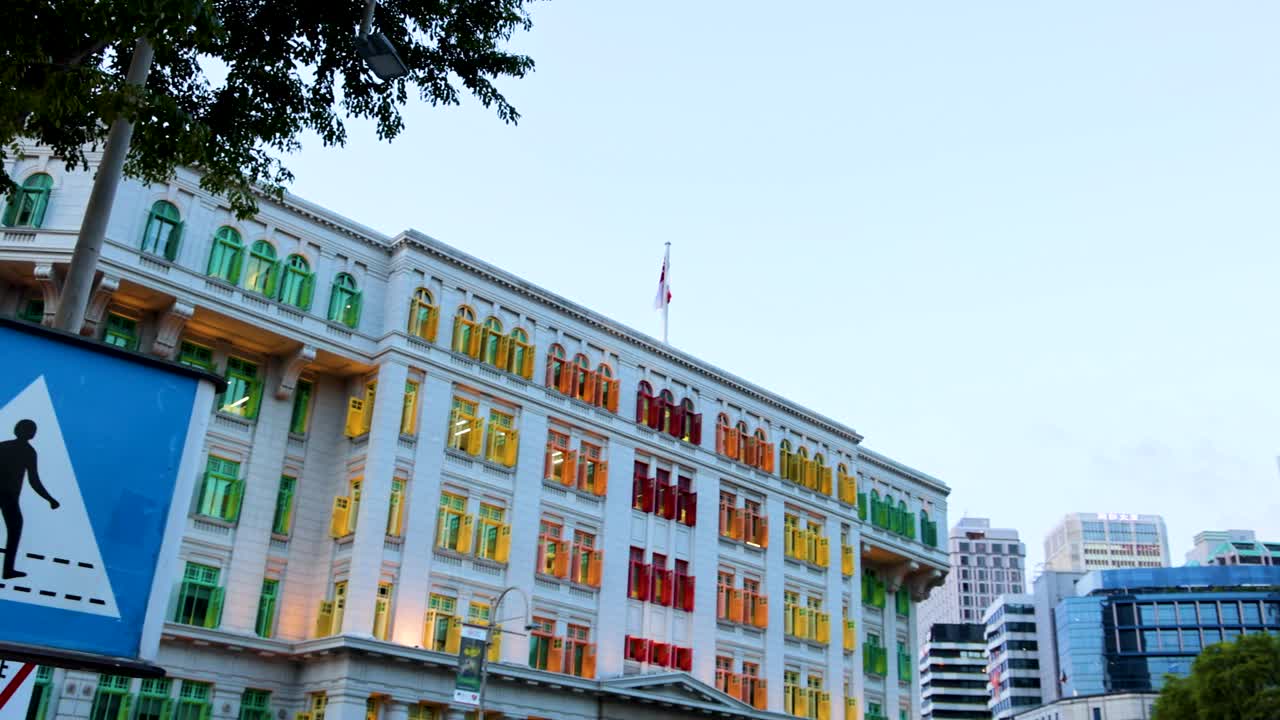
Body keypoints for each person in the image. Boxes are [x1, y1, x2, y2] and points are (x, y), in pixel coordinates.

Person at [0, 419, 59, 579]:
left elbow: (34, 481)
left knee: (15, 528)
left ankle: (8, 570)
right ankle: (7, 570)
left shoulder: (4, 446)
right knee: (15, 530)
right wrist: (50, 499)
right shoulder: (28, 452)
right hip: (9, 496)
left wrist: (50, 499)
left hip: (9, 497)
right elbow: (34, 481)